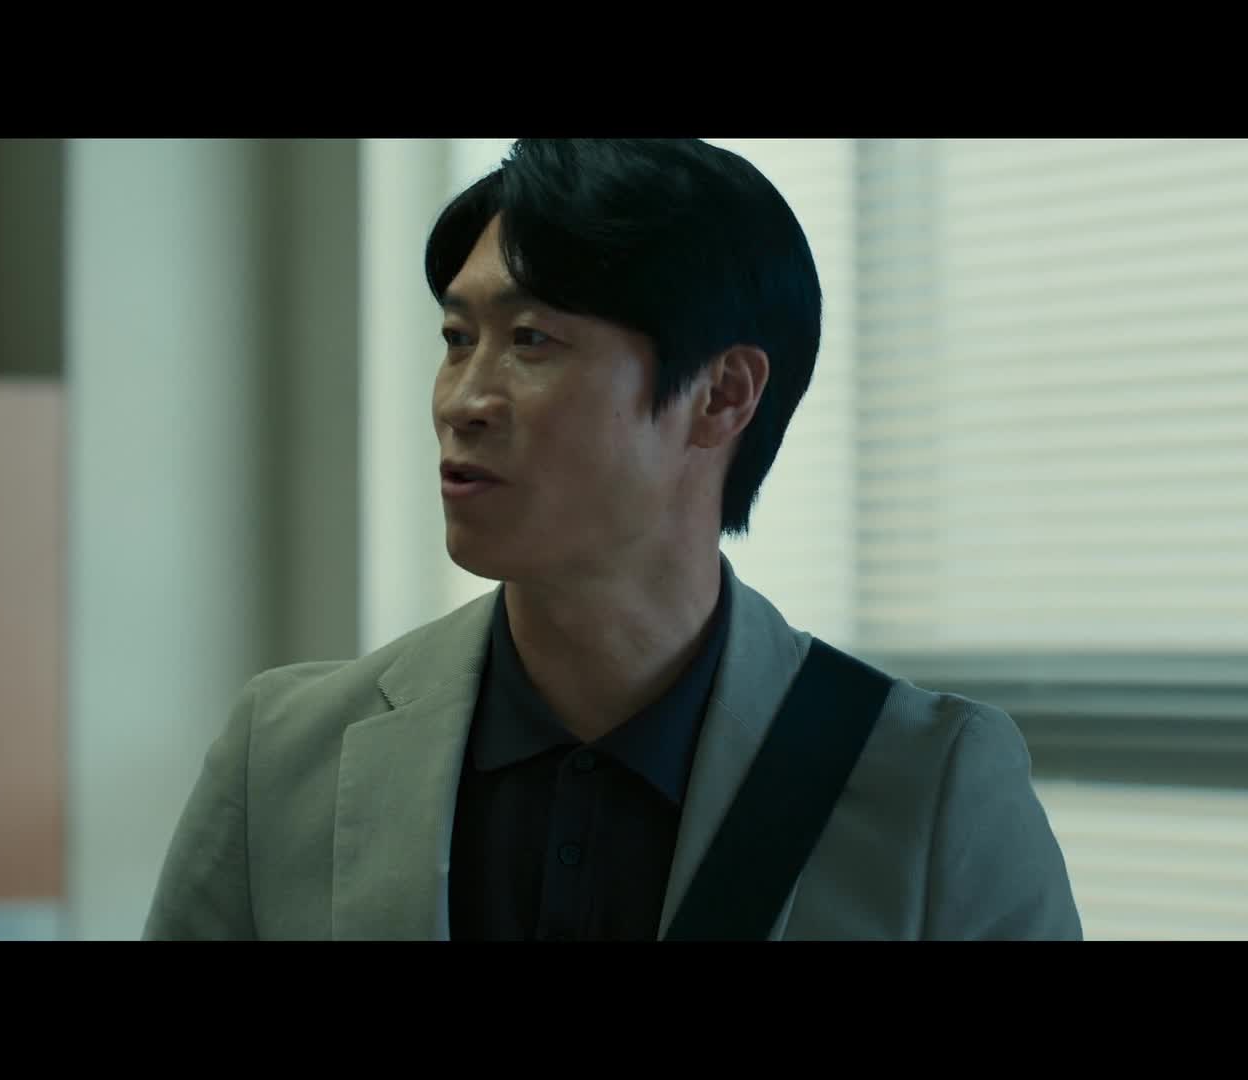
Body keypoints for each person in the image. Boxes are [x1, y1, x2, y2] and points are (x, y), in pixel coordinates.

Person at [143, 139, 1082, 941]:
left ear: (721, 395)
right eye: (457, 338)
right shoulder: (286, 758)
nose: (464, 401)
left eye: (531, 340)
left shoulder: (928, 785)